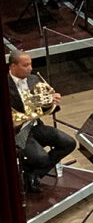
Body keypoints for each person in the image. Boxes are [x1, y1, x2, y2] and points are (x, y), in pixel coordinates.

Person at [9, 50, 73, 193]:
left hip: (35, 125)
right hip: (18, 131)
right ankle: (26, 173)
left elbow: (45, 109)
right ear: (13, 67)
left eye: (30, 64)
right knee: (42, 158)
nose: (30, 68)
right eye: (26, 65)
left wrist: (51, 102)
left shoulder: (34, 79)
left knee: (68, 143)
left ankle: (33, 175)